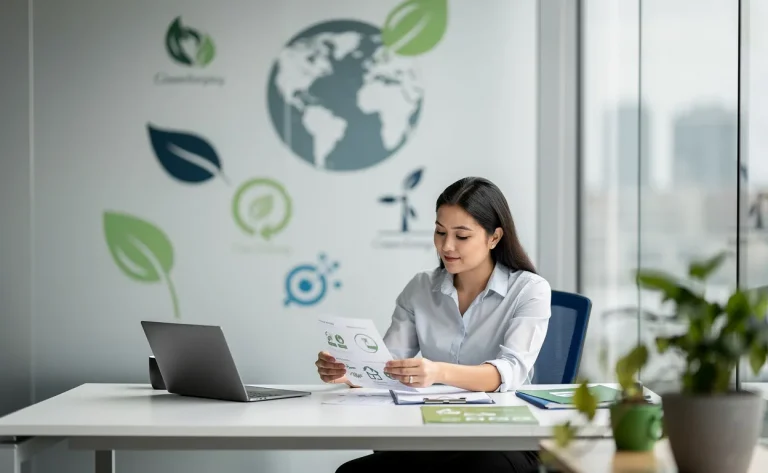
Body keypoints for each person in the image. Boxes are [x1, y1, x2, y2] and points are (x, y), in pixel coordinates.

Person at [315, 177, 552, 473]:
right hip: (433, 434)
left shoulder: (530, 290)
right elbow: (386, 365)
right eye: (440, 232)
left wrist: (438, 371)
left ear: (494, 237)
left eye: (461, 236)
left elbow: (511, 371)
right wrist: (349, 371)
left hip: (501, 439)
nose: (446, 246)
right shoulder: (421, 288)